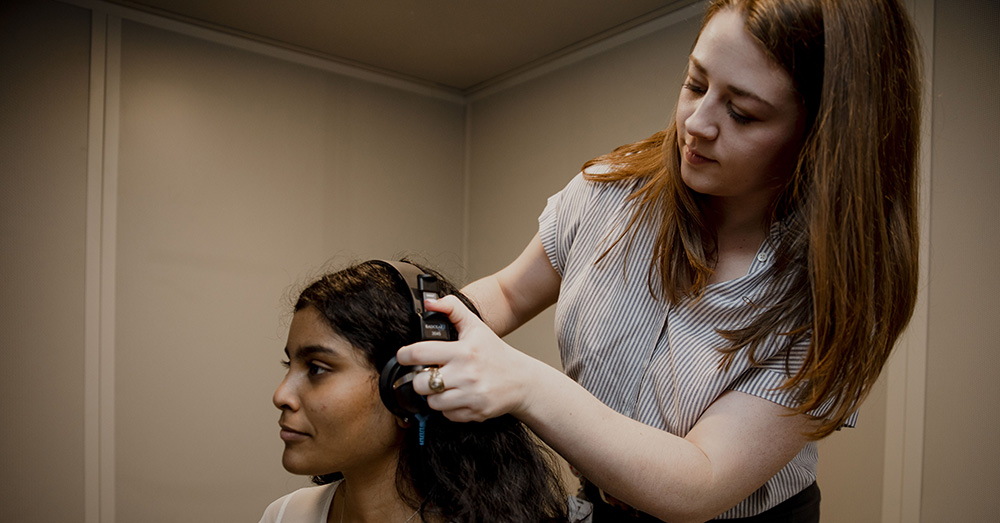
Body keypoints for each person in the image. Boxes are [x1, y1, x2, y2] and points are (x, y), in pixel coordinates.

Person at [395, 0, 922, 521]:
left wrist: (524, 384)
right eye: (695, 83)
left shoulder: (829, 297)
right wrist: (413, 334)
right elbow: (507, 295)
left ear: (822, 136)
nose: (697, 123)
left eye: (742, 113)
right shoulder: (611, 191)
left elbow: (699, 481)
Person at [259, 260, 586, 523]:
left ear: (408, 391)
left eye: (316, 368)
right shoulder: (284, 515)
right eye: (290, 366)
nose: (281, 395)